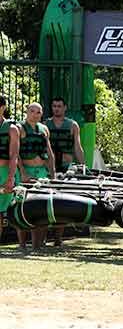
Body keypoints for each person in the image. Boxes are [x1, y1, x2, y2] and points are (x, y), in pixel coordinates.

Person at [46, 96, 85, 247]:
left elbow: (77, 147)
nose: (56, 108)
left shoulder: (72, 125)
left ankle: (58, 238)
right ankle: (42, 237)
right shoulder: (45, 125)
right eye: (54, 106)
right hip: (49, 168)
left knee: (61, 202)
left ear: (65, 107)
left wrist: (82, 166)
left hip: (66, 168)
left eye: (59, 106)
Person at [17, 103, 56, 250]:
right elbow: (16, 153)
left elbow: (49, 152)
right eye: (32, 111)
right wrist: (22, 172)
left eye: (38, 112)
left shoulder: (44, 129)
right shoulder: (19, 128)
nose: (35, 114)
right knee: (22, 206)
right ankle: (22, 244)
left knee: (42, 207)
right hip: (26, 171)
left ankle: (38, 244)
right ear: (27, 112)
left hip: (41, 171)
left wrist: (52, 174)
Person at [0, 97, 20, 242]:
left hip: (4, 172)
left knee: (2, 212)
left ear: (3, 107)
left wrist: (10, 177)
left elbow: (14, 155)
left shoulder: (12, 128)